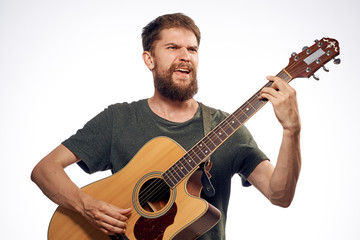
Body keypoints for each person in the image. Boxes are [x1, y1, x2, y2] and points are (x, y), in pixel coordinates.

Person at [31, 13, 301, 239]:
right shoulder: (119, 119)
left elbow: (280, 196)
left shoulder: (226, 128)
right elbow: (45, 170)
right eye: (173, 48)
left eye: (192, 49)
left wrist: (292, 131)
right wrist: (86, 205)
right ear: (149, 59)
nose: (185, 56)